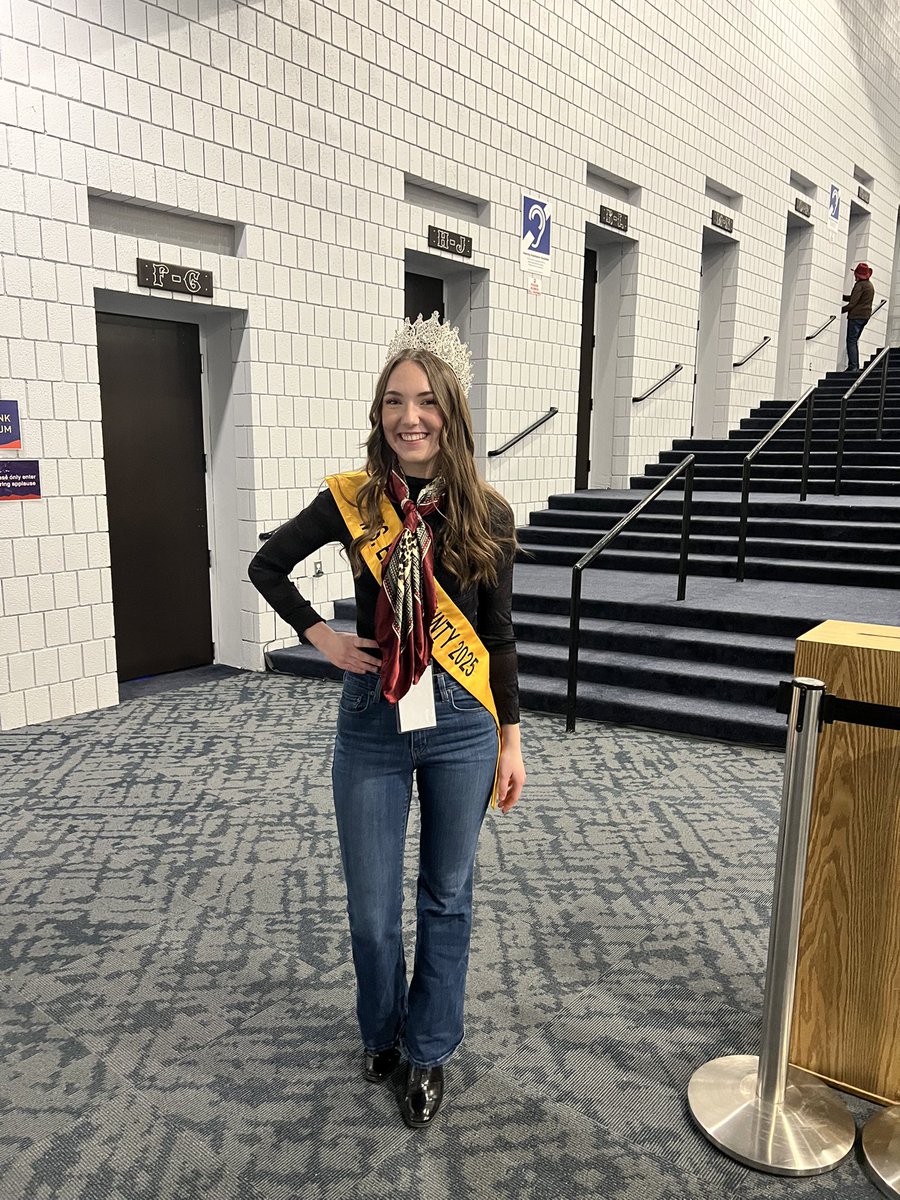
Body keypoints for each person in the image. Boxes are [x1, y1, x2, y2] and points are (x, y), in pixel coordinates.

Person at [248, 313, 526, 1129]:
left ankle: (429, 1050)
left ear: (452, 412)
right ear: (379, 414)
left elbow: (501, 637)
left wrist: (512, 739)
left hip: (463, 723)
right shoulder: (353, 503)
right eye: (395, 402)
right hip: (372, 717)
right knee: (372, 909)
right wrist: (323, 638)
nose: (410, 417)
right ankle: (382, 1032)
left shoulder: (488, 513)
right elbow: (267, 564)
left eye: (427, 402)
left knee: (448, 896)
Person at [842, 262, 874, 372]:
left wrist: (839, 310)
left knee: (851, 341)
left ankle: (853, 366)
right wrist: (842, 297)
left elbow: (852, 303)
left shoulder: (859, 285)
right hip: (865, 316)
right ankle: (854, 366)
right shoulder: (869, 285)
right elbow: (855, 298)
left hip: (856, 316)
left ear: (857, 275)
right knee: (854, 340)